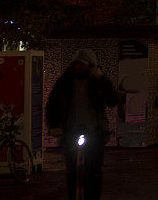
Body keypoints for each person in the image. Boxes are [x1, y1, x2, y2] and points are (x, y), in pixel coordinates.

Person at [46, 49, 119, 200]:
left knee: (94, 170)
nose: (79, 69)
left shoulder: (97, 81)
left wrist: (102, 79)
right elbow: (52, 104)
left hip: (94, 130)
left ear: (91, 66)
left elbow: (112, 100)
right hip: (71, 130)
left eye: (83, 66)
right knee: (72, 170)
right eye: (77, 65)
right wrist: (54, 125)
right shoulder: (65, 81)